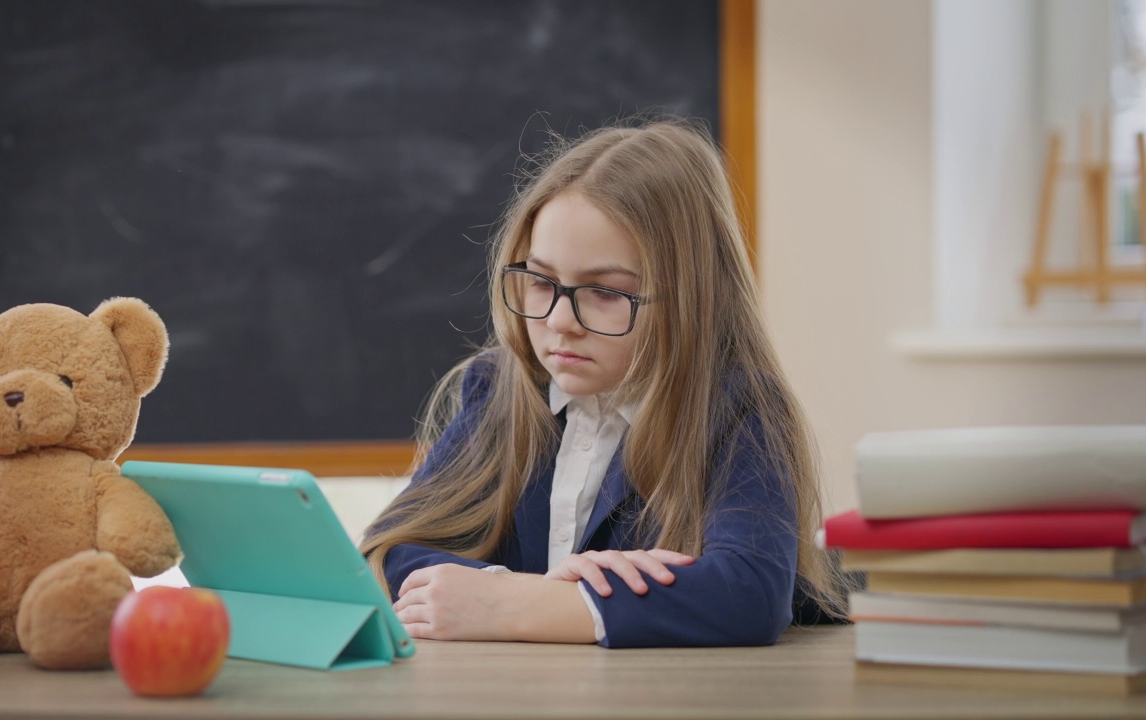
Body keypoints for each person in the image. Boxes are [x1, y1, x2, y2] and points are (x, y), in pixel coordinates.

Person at [360, 116, 845, 648]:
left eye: (608, 294)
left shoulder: (735, 408)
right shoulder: (499, 389)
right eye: (541, 281)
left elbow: (749, 595)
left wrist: (516, 606)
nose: (558, 321)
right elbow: (394, 548)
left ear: (690, 301)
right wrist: (511, 593)